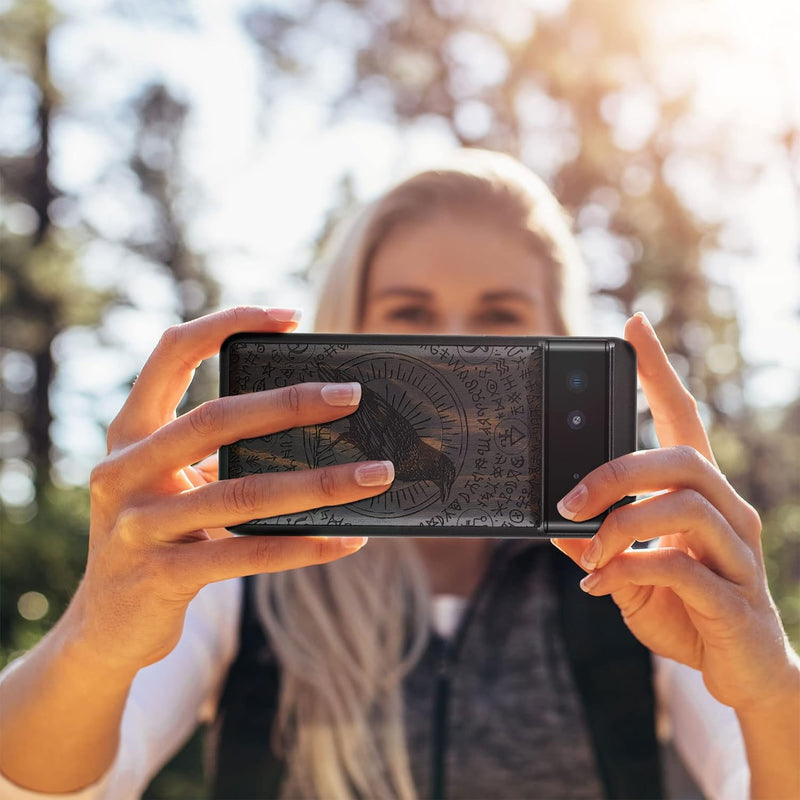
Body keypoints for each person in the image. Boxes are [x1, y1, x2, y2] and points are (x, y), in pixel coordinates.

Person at [0, 150, 798, 800]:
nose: (453, 351)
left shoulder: (636, 573)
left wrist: (770, 690)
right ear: (345, 334)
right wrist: (96, 638)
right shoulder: (239, 564)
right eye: (409, 314)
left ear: (557, 339)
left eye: (499, 318)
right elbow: (49, 786)